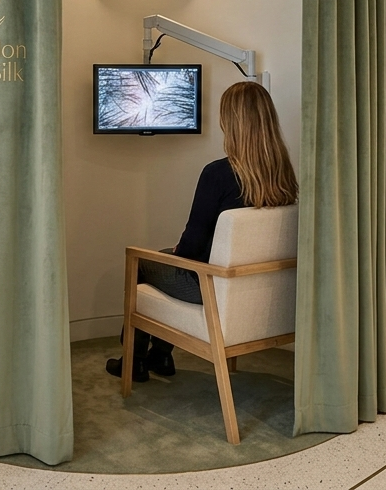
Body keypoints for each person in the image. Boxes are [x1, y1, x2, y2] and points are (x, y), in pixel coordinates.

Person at [107, 80, 299, 382]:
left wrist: (179, 252)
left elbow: (192, 245)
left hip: (210, 287)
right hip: (258, 287)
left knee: (142, 262)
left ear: (230, 123)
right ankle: (160, 356)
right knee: (164, 255)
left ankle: (135, 360)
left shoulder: (217, 173)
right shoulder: (283, 173)